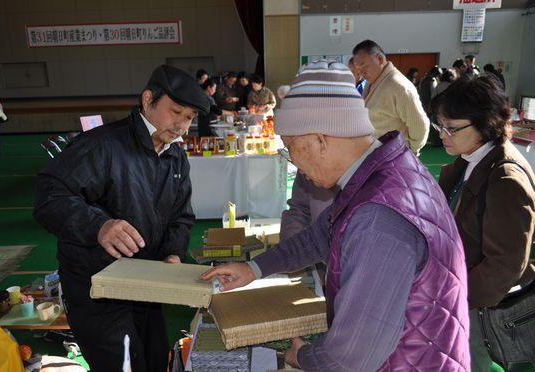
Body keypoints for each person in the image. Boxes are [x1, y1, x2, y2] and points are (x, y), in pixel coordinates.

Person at [200, 61, 470, 371]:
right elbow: (320, 235)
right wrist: (255, 268)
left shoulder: (377, 218)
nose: (295, 165)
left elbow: (350, 356)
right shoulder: (385, 174)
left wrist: (301, 357)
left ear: (320, 140)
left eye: (292, 149)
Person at [33, 65, 210, 372]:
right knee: (125, 366)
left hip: (147, 286)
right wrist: (98, 226)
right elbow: (49, 197)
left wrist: (172, 254)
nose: (182, 124)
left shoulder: (175, 157)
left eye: (190, 117)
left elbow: (181, 217)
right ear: (147, 100)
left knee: (156, 361)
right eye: (175, 111)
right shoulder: (103, 146)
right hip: (98, 293)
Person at [434, 75, 535, 371]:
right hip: (464, 298)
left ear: (485, 122)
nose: (442, 134)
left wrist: (454, 298)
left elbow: (505, 264)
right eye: (440, 125)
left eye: (451, 127)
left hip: (479, 308)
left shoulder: (505, 178)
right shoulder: (471, 160)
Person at [352, 40, 430, 154]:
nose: (361, 72)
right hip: (376, 155)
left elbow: (420, 127)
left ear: (380, 59)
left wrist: (408, 152)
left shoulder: (399, 87)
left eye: (364, 66)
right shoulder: (371, 82)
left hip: (395, 158)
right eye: (358, 68)